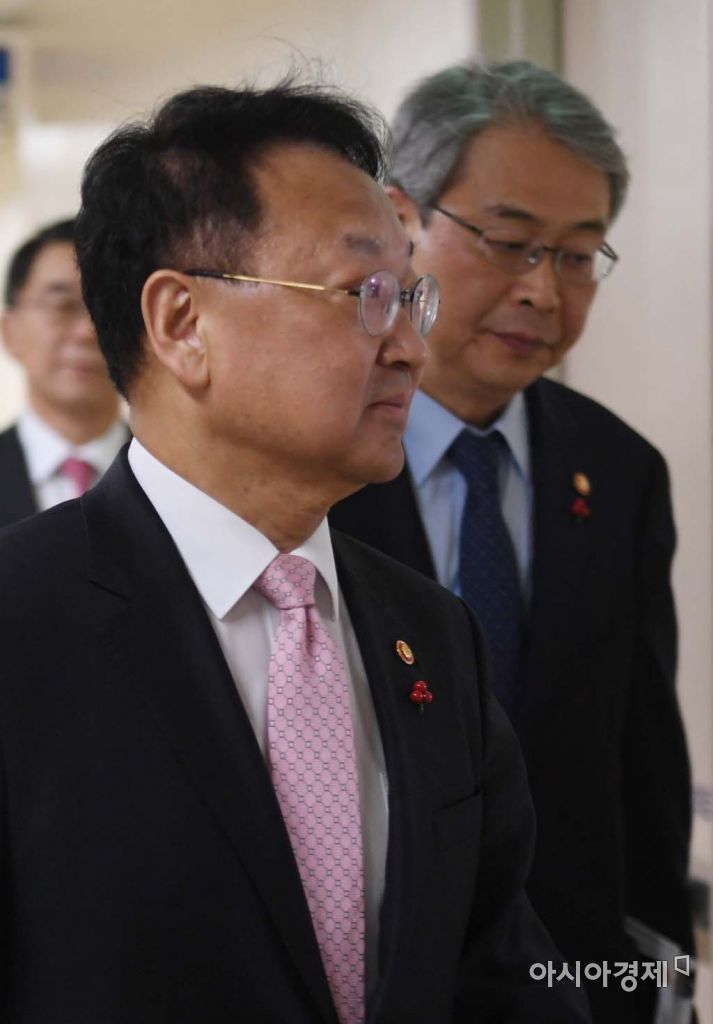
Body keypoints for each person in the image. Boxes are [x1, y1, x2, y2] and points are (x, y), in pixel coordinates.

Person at [0, 81, 589, 1023]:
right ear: (182, 323)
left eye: (411, 298)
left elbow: (497, 968)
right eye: (364, 295)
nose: (410, 348)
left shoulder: (430, 634)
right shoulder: (24, 621)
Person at [330, 61, 693, 1023]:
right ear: (401, 222)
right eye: (509, 242)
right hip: (365, 974)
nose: (542, 290)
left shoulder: (615, 470)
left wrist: (658, 980)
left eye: (577, 256)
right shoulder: (311, 458)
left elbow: (641, 756)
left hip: (571, 976)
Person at [0, 218, 128, 526]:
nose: (88, 331)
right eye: (62, 305)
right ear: (9, 331)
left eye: (105, 310)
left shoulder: (180, 477)